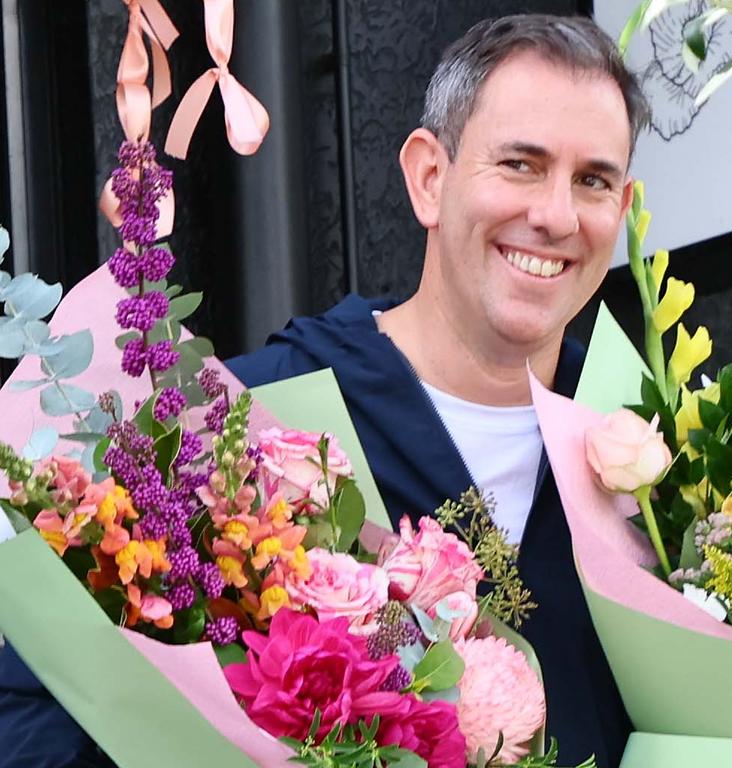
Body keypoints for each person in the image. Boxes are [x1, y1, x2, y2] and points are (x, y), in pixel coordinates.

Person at [0, 13, 647, 767]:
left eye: (592, 181)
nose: (556, 215)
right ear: (429, 178)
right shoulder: (241, 430)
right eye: (521, 165)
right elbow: (41, 693)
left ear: (623, 209)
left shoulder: (662, 473)